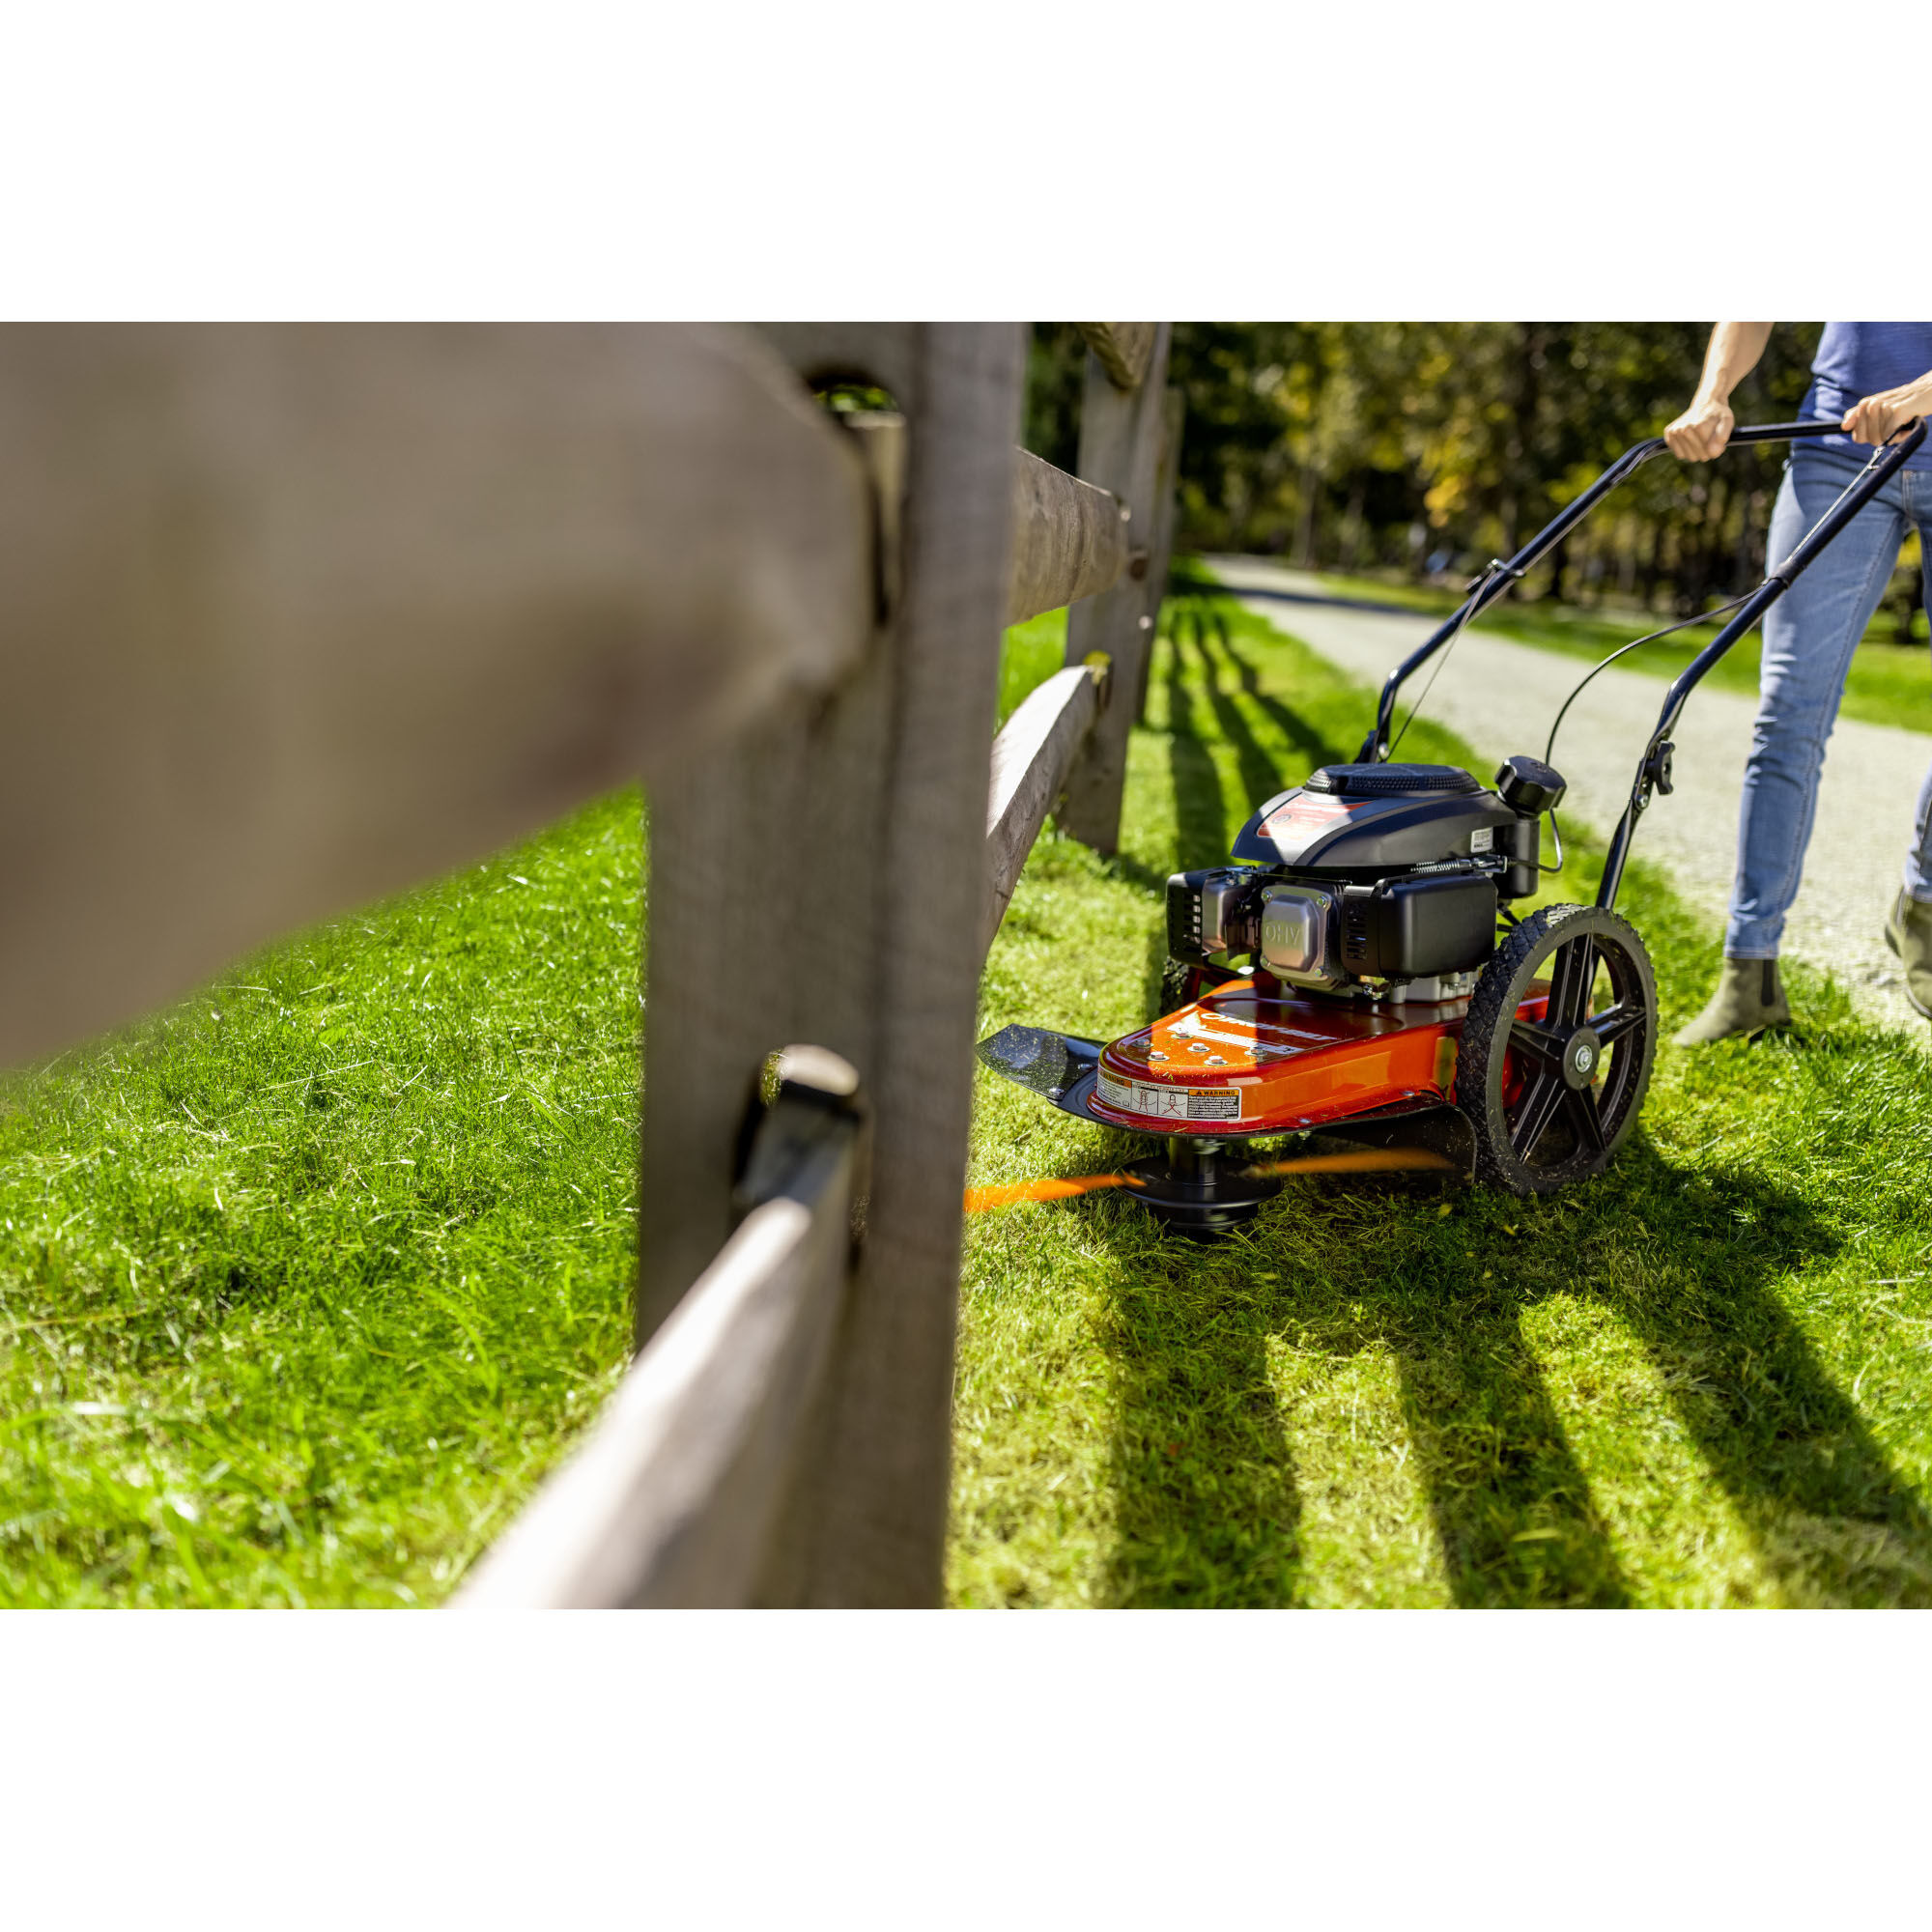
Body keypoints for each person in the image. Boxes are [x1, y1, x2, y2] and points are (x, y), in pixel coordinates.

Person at [1664, 323, 1932, 1043]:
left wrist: (1924, 390)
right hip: (1836, 445)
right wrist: (1713, 394)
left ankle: (1925, 899)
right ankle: (1749, 974)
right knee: (1788, 713)